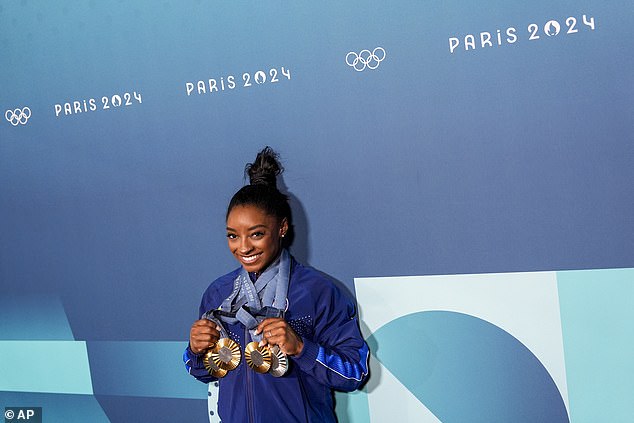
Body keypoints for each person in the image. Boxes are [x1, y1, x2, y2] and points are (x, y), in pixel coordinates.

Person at [184, 147, 369, 422]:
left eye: (256, 234)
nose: (243, 247)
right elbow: (203, 371)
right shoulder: (218, 294)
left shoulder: (318, 292)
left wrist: (301, 349)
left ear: (282, 228)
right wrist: (196, 351)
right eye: (233, 236)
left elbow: (354, 371)